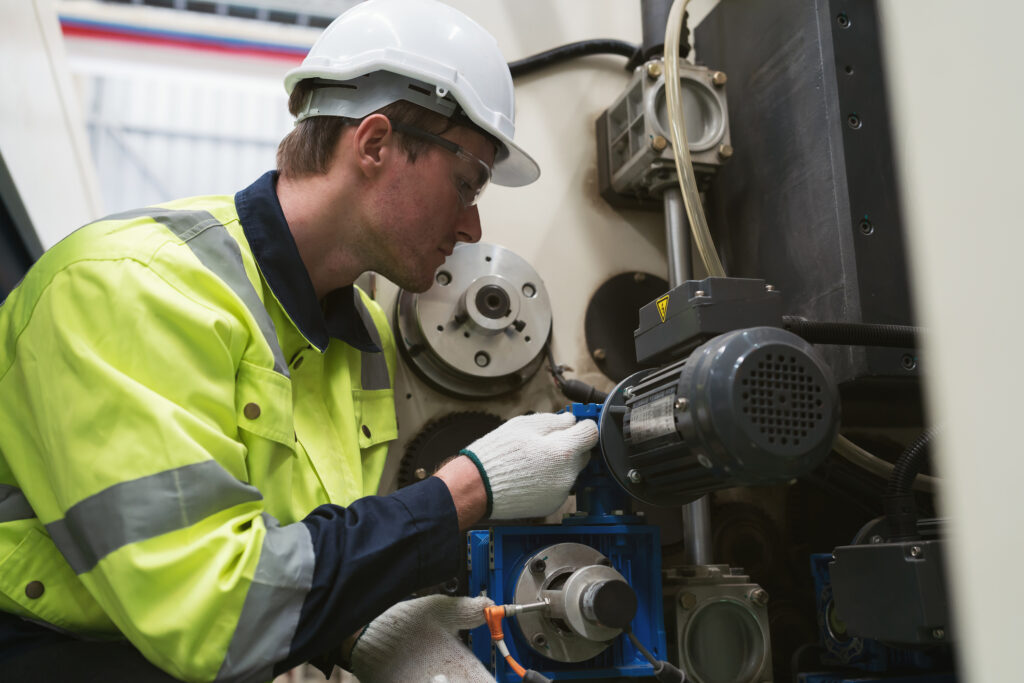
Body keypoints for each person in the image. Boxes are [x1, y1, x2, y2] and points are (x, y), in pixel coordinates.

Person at [0, 1, 599, 681]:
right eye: (465, 184)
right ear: (374, 143)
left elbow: (304, 544)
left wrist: (362, 631)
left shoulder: (363, 335)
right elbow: (216, 618)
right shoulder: (127, 288)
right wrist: (465, 490)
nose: (471, 225)